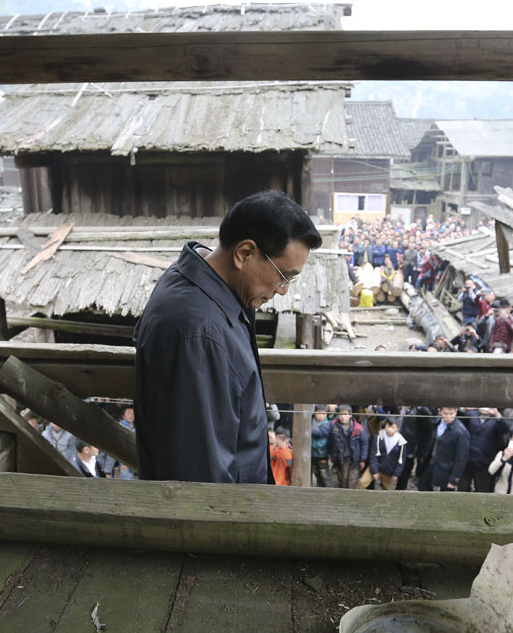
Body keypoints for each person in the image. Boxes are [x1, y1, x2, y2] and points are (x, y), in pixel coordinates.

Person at [134, 190, 321, 483]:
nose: (284, 289)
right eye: (284, 275)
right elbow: (199, 477)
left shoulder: (205, 281)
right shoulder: (198, 333)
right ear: (244, 253)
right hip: (222, 515)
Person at [313, 405, 369, 489]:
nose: (343, 417)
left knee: (353, 480)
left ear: (351, 415)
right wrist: (311, 429)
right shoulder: (333, 425)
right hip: (341, 459)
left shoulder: (358, 428)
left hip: (354, 460)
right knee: (343, 480)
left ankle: (352, 499)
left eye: (346, 414)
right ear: (338, 415)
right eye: (341, 414)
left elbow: (364, 443)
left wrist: (363, 459)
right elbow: (322, 431)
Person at [419, 407, 469, 492]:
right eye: (445, 414)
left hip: (447, 469)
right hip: (431, 463)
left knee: (444, 496)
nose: (448, 417)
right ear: (440, 412)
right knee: (423, 487)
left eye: (451, 414)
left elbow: (461, 458)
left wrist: (454, 479)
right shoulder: (437, 422)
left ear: (456, 412)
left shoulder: (461, 432)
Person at [459, 407, 509, 493]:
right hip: (468, 458)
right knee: (463, 487)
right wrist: (464, 409)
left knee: (482, 488)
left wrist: (496, 414)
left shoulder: (495, 420)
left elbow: (505, 429)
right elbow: (460, 417)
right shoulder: (472, 414)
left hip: (485, 461)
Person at [367, 417, 407, 490]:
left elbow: (401, 460)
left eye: (393, 427)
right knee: (362, 482)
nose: (390, 429)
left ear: (397, 429)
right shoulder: (378, 436)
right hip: (377, 466)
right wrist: (374, 471)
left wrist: (396, 474)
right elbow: (373, 455)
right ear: (385, 426)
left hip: (389, 470)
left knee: (388, 490)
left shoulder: (401, 441)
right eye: (388, 426)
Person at [310, 404, 332, 487]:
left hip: (322, 454)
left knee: (324, 474)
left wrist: (310, 443)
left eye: (324, 414)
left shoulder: (327, 425)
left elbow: (322, 443)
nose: (321, 416)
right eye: (319, 413)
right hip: (311, 454)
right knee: (315, 473)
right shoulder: (310, 421)